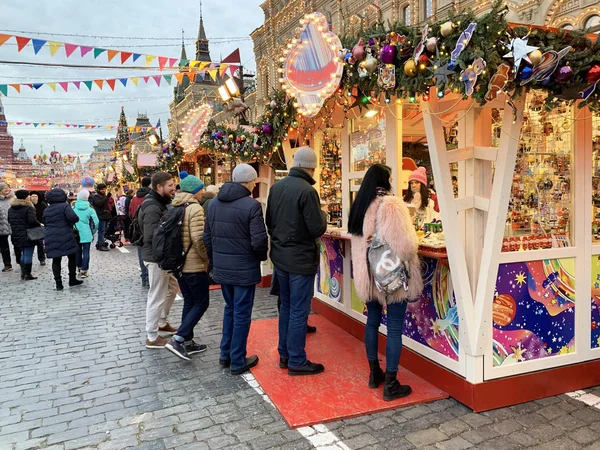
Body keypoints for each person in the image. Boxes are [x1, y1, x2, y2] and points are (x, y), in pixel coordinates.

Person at [348, 164, 423, 401]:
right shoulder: (391, 204)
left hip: (367, 277)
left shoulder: (360, 206)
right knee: (393, 328)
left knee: (371, 322)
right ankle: (391, 383)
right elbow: (407, 246)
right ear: (386, 180)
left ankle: (374, 373)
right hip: (390, 278)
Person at [266, 146, 327, 376]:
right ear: (311, 167)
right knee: (298, 310)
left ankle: (285, 354)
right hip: (300, 259)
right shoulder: (308, 191)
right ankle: (297, 360)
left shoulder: (277, 187)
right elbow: (317, 227)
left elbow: (269, 222)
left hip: (281, 257)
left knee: (287, 307)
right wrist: (322, 214)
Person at [204, 164, 268, 375]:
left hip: (223, 267)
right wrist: (259, 259)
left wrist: (215, 261)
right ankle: (238, 360)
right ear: (248, 181)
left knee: (230, 309)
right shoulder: (251, 206)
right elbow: (259, 241)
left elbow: (207, 237)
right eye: (254, 181)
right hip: (243, 267)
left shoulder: (213, 203)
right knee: (241, 313)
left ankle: (226, 354)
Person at [165, 172, 210, 361]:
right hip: (194, 264)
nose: (203, 192)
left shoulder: (176, 206)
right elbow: (198, 239)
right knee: (202, 302)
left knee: (190, 302)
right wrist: (207, 259)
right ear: (195, 190)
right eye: (201, 189)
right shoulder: (195, 209)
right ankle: (178, 338)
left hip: (180, 264)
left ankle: (187, 340)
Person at [139, 172, 178, 348]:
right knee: (156, 295)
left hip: (159, 256)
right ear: (159, 187)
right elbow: (151, 236)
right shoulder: (153, 206)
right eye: (170, 185)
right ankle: (152, 336)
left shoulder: (159, 202)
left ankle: (162, 322)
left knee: (172, 287)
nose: (173, 188)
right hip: (156, 258)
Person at [44, 188, 83, 291]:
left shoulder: (47, 209)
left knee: (56, 259)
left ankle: (58, 284)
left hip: (51, 235)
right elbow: (74, 218)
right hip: (66, 234)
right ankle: (72, 279)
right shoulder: (65, 206)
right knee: (72, 257)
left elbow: (45, 222)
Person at [7, 189, 42, 280]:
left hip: (16, 234)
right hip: (28, 234)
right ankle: (27, 274)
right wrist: (39, 224)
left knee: (23, 252)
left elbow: (9, 220)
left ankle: (23, 272)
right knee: (28, 253)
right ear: (26, 197)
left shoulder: (11, 208)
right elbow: (32, 221)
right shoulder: (28, 207)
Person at [130, 177, 151, 288]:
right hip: (148, 228)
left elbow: (130, 212)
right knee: (150, 255)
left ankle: (144, 277)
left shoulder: (134, 198)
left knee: (141, 254)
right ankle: (149, 277)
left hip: (138, 229)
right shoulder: (150, 197)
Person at [73, 190, 99, 278]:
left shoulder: (73, 209)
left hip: (75, 233)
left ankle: (79, 267)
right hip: (87, 233)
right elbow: (96, 222)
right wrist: (93, 231)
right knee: (86, 252)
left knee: (78, 251)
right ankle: (84, 270)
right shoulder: (90, 210)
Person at [90, 184, 111, 251]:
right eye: (102, 189)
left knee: (103, 231)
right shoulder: (96, 196)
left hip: (105, 215)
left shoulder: (103, 196)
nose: (103, 190)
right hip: (100, 216)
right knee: (101, 231)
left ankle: (99, 243)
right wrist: (107, 197)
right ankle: (101, 245)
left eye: (104, 189)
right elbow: (100, 203)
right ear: (98, 190)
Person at [0, 182, 14, 272]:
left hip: (14, 225)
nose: (6, 189)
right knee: (4, 246)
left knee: (17, 244)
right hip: (2, 225)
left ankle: (21, 262)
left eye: (7, 187)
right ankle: (7, 264)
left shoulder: (13, 199)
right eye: (3, 188)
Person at [30, 191, 47, 266]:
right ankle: (28, 260)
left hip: (40, 226)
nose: (34, 198)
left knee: (40, 244)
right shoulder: (28, 205)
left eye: (36, 196)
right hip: (30, 227)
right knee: (30, 244)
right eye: (32, 196)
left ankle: (42, 259)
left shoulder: (43, 205)